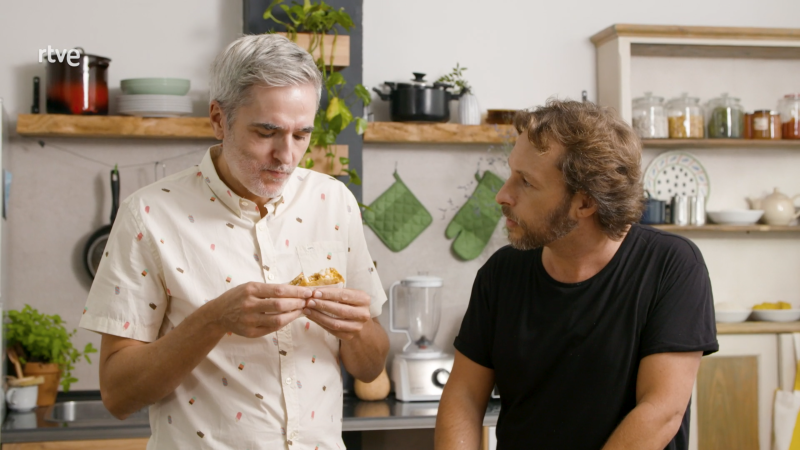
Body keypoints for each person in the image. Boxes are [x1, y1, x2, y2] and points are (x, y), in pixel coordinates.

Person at [80, 34, 389, 449]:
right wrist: (213, 320)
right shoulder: (148, 215)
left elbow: (370, 368)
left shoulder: (334, 202)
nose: (287, 156)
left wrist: (356, 329)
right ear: (218, 119)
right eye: (267, 132)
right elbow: (118, 396)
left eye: (301, 135)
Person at [435, 99, 718, 450]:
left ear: (584, 203)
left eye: (526, 182)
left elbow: (660, 411)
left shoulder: (671, 266)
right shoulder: (501, 273)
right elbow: (463, 396)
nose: (503, 195)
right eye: (511, 174)